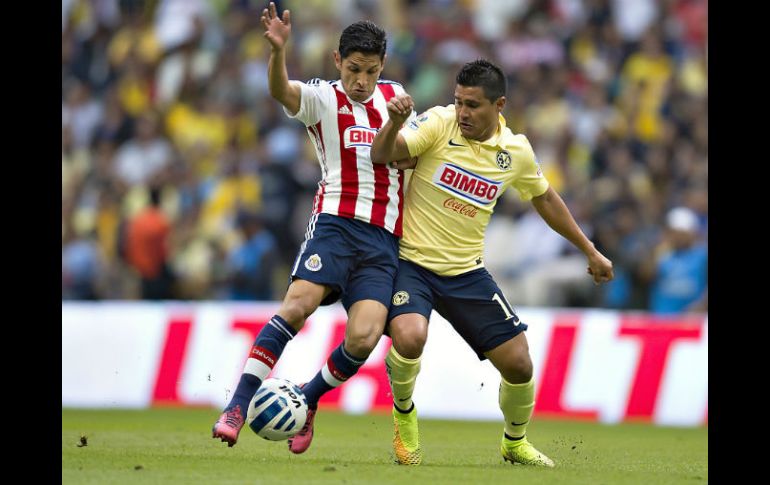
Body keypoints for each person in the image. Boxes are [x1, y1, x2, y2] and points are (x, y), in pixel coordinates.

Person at [370, 59, 614, 467]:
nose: (462, 112)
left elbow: (545, 198)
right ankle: (404, 416)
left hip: (466, 271)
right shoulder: (437, 122)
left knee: (519, 365)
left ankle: (514, 442)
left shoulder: (515, 151)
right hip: (412, 263)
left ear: (499, 105)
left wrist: (589, 249)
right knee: (410, 337)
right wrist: (395, 124)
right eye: (458, 101)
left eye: (473, 105)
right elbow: (385, 153)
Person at [213, 3, 411, 454]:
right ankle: (238, 406)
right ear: (337, 61)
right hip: (335, 225)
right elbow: (282, 91)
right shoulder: (322, 97)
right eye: (355, 69)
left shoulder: (395, 97)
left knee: (363, 337)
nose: (362, 80)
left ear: (383, 68)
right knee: (298, 305)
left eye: (372, 71)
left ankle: (307, 400)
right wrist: (278, 51)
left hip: (383, 238)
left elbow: (415, 152)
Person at [649, 206, 707, 313]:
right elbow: (646, 276)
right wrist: (657, 254)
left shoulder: (702, 255)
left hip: (691, 320)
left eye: (682, 233)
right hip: (662, 317)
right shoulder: (663, 253)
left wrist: (701, 306)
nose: (678, 237)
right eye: (674, 233)